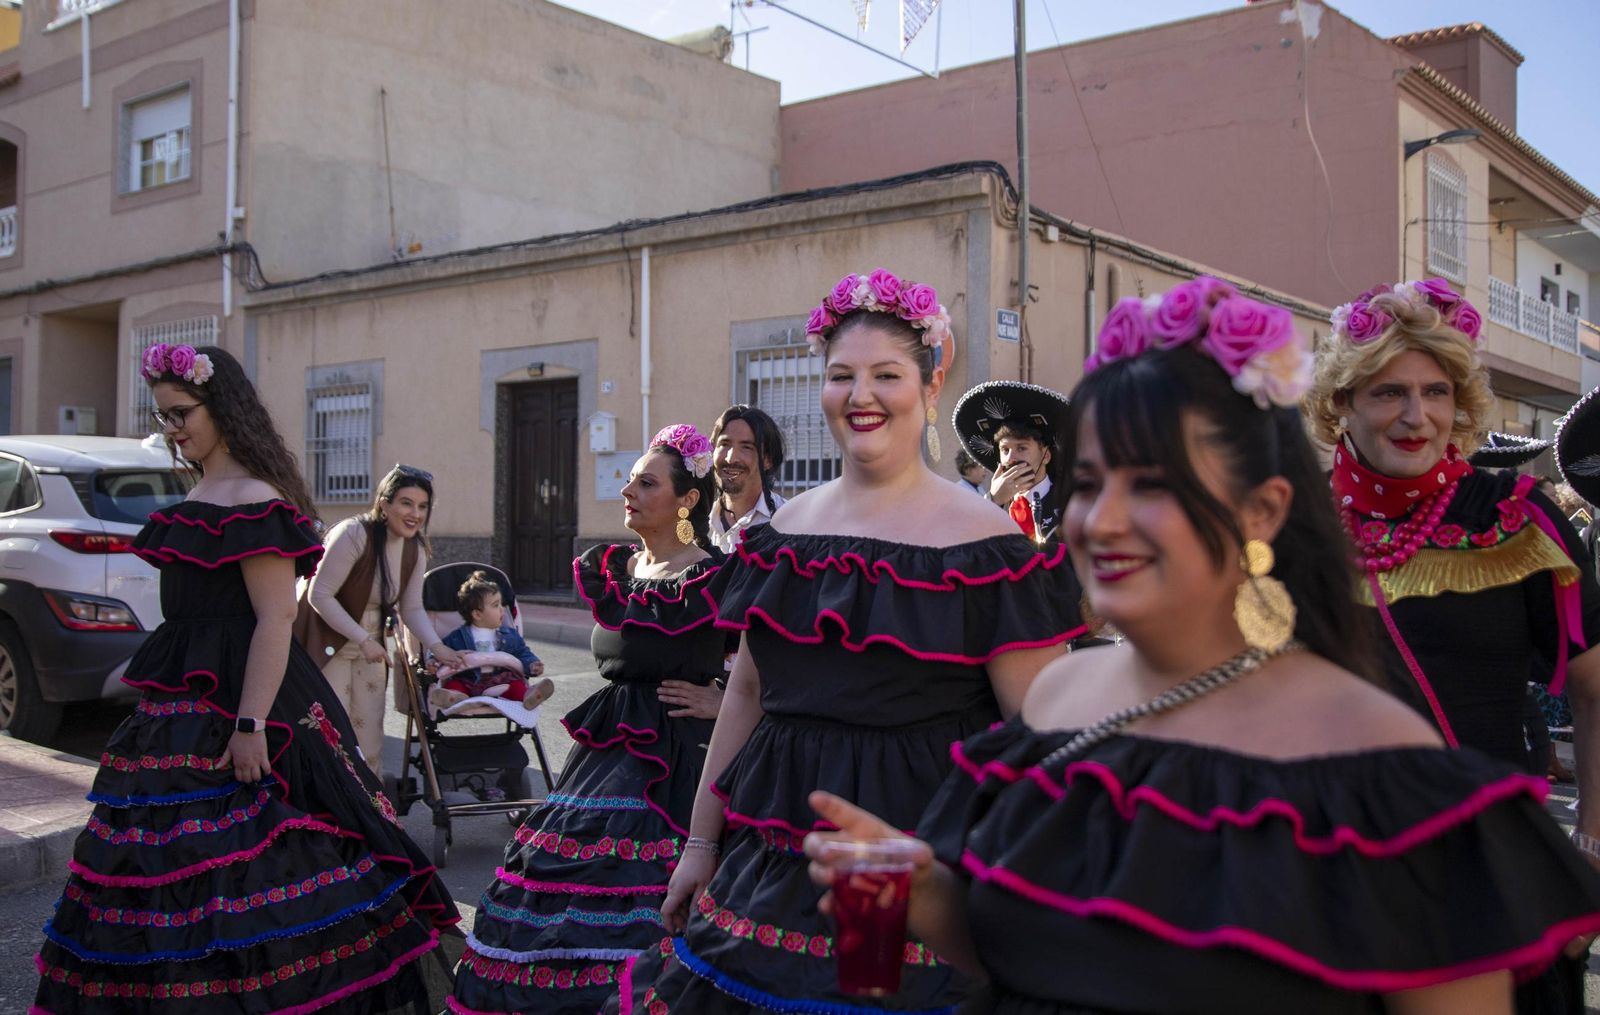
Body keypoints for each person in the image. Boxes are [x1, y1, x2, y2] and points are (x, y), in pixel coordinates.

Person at [805, 280, 1600, 1013]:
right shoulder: (1054, 701)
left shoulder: (1380, 761)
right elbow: (1031, 961)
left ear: (1261, 510)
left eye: (1153, 483)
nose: (1102, 520)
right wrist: (923, 890)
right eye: (1088, 480)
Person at [610, 269, 1083, 1014]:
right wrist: (700, 845)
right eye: (841, 375)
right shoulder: (780, 537)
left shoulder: (989, 544)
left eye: (886, 374)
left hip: (915, 860)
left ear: (930, 385)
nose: (861, 394)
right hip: (773, 857)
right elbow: (747, 693)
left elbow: (1042, 732)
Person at [35, 344, 460, 1013]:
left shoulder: (255, 500)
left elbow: (273, 619)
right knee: (157, 876)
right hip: (179, 707)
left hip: (245, 704)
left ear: (222, 407)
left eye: (182, 413)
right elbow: (195, 618)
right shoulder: (197, 492)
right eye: (164, 415)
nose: (172, 427)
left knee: (262, 869)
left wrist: (249, 724)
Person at [1308, 278, 1600, 1010]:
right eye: (1388, 393)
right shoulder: (1288, 523)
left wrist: (1590, 846)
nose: (1417, 416)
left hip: (1495, 878)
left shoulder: (1515, 516)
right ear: (1342, 403)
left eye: (1436, 392)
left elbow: (1597, 691)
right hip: (1328, 879)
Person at [448, 424, 727, 1015]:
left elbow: (767, 668)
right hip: (603, 756)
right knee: (554, 885)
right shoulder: (618, 568)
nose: (628, 490)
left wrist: (722, 701)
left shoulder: (717, 575)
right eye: (629, 479)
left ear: (687, 500)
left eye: (646, 482)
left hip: (679, 760)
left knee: (652, 904)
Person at [302, 465, 465, 776]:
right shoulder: (353, 533)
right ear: (384, 504)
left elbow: (412, 608)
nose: (415, 513)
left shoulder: (415, 548)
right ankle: (331, 816)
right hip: (327, 641)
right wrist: (361, 639)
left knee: (369, 734)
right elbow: (319, 595)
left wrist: (437, 646)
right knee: (330, 734)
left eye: (422, 506)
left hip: (371, 645)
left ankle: (371, 814)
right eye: (406, 503)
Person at [952, 380, 1071, 544]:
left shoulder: (1069, 506)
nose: (1010, 459)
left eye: (1021, 448)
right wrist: (993, 502)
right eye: (1005, 450)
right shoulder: (993, 505)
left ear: (1046, 456)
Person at [432, 569, 554, 709]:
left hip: (501, 682)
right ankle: (454, 697)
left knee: (517, 686)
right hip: (469, 681)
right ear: (477, 614)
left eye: (501, 604)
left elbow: (521, 653)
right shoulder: (457, 637)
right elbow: (442, 651)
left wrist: (532, 664)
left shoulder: (509, 635)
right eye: (496, 606)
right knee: (454, 684)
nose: (502, 610)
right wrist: (433, 662)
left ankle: (530, 696)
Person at [707, 404, 787, 555]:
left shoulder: (787, 521)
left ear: (768, 459)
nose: (731, 458)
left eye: (746, 447)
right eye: (724, 444)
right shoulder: (697, 523)